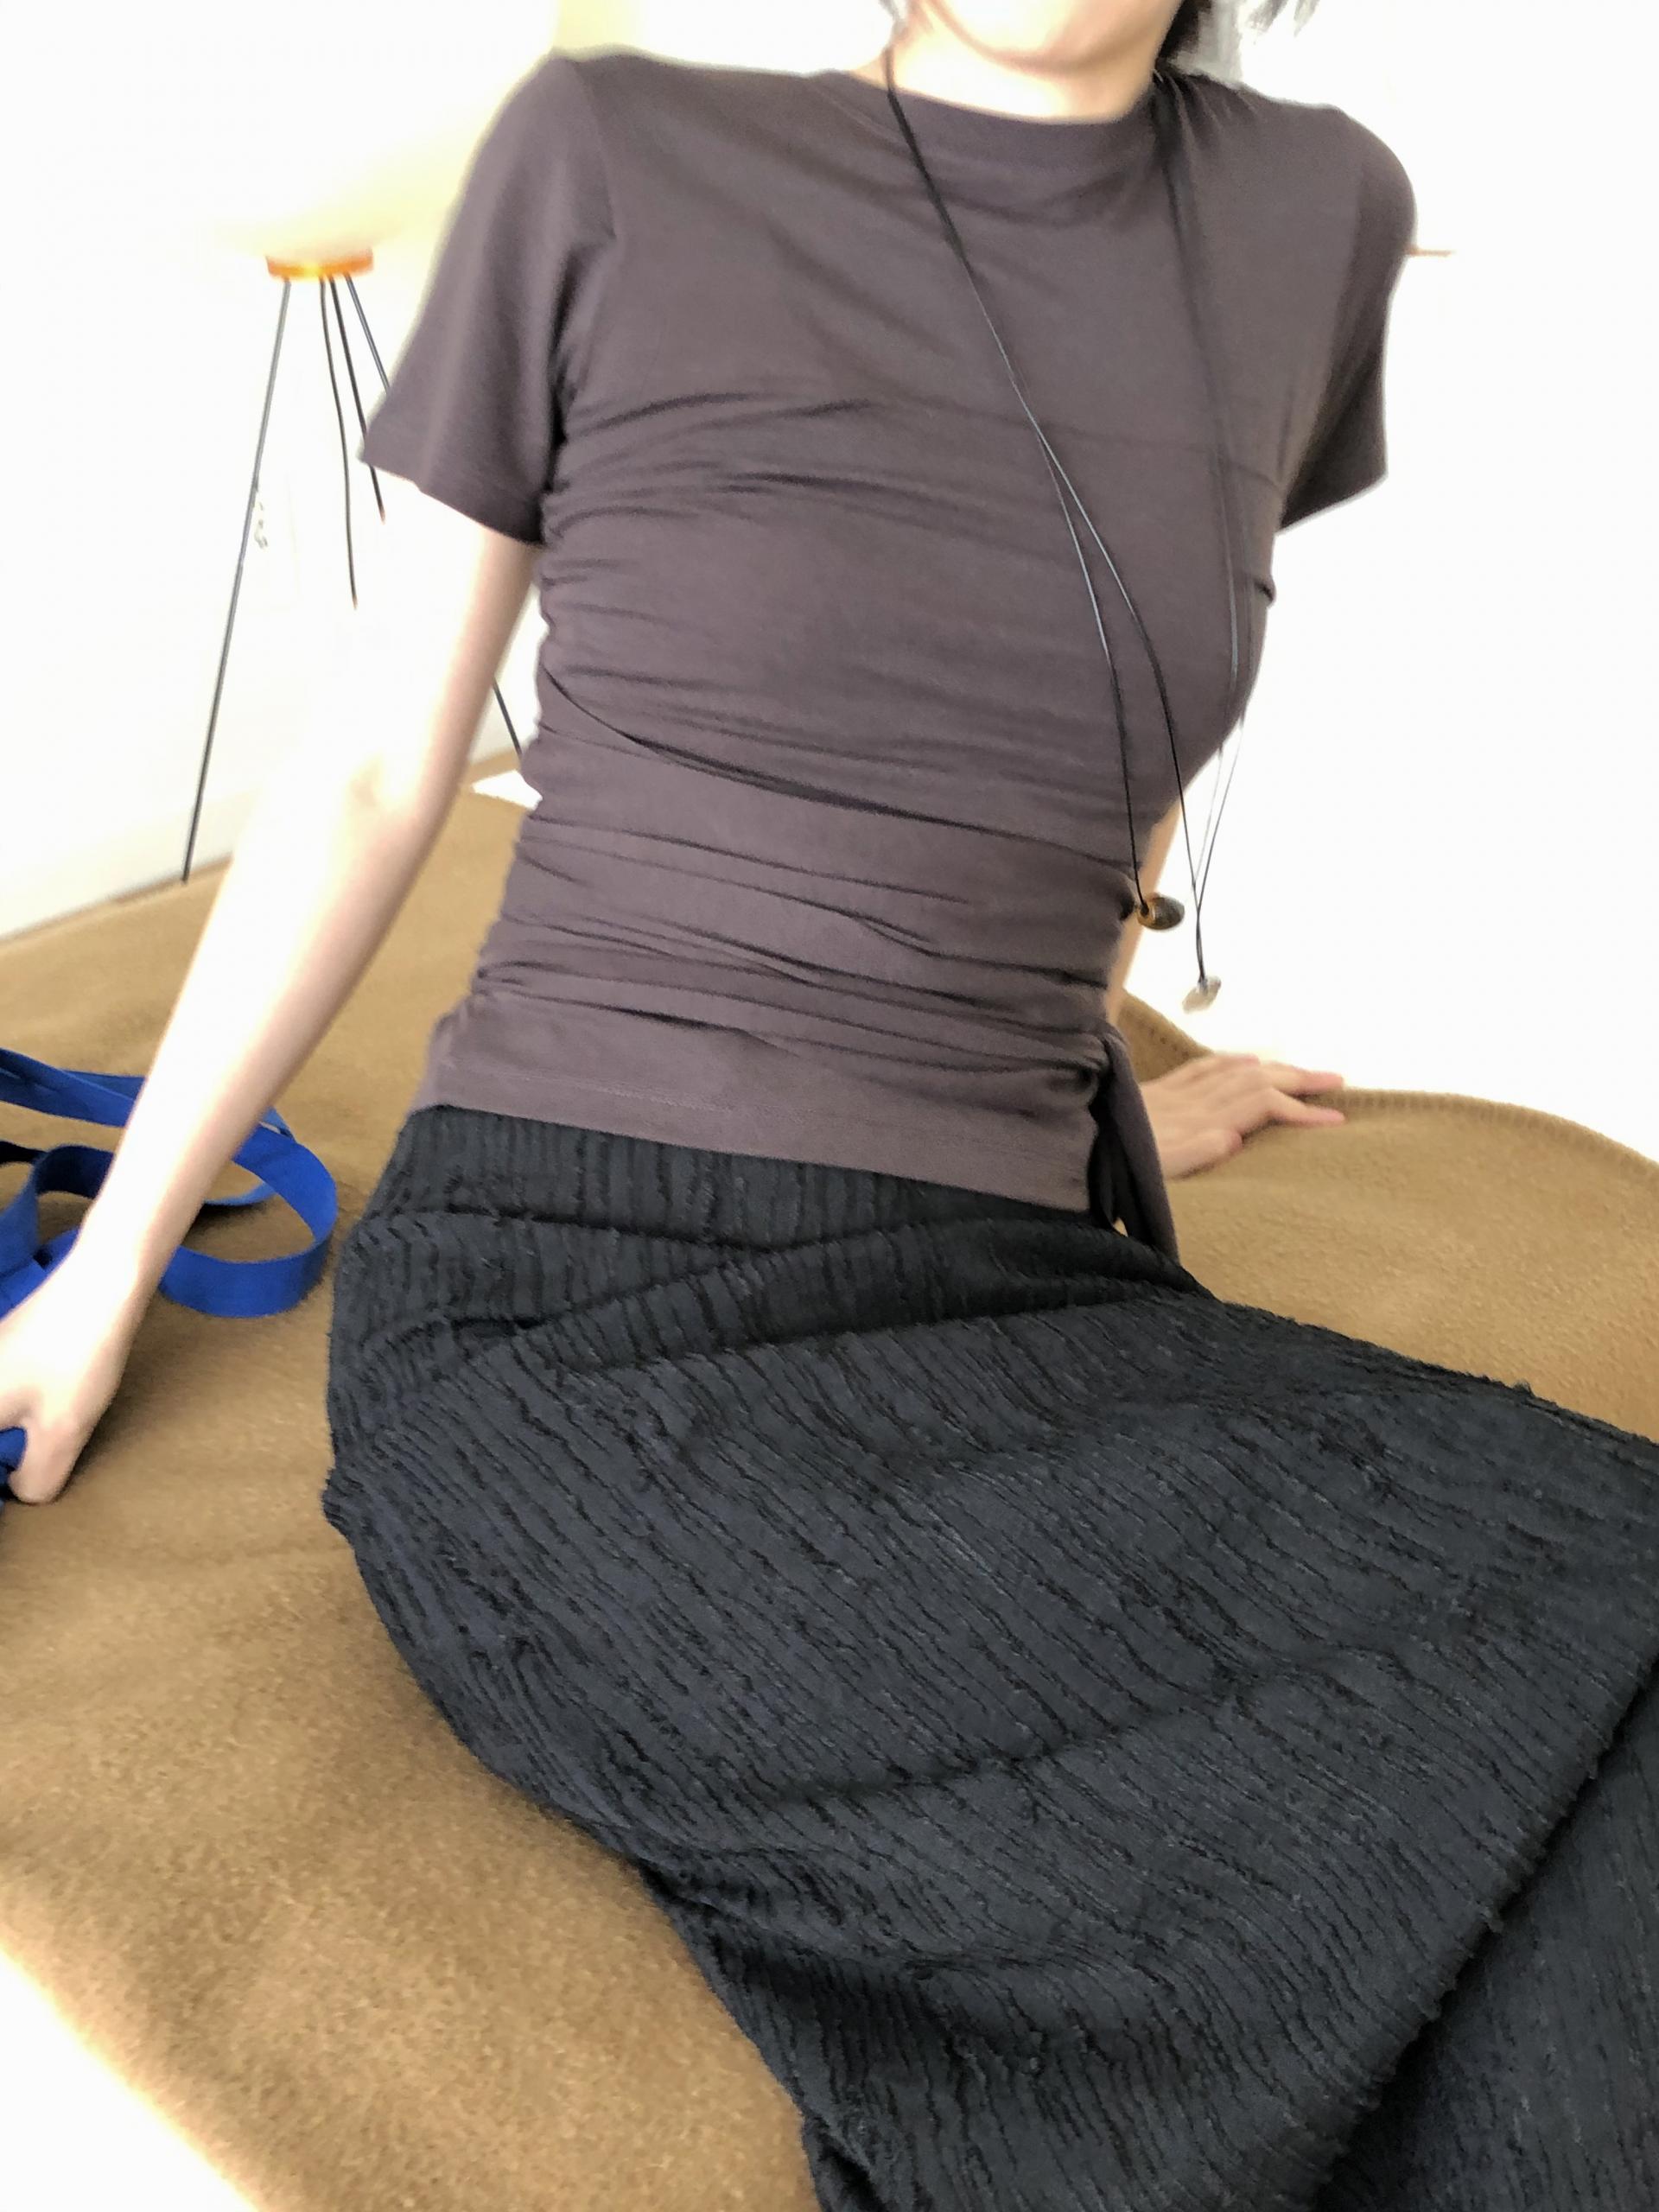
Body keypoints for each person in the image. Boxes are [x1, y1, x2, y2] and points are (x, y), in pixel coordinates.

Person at [5, 3, 1659, 2205]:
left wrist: (1097, 1068)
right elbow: (387, 763)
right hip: (566, 1328)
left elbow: (1110, 713)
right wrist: (106, 1271)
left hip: (1007, 1281)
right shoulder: (609, 153)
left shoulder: (1314, 214)